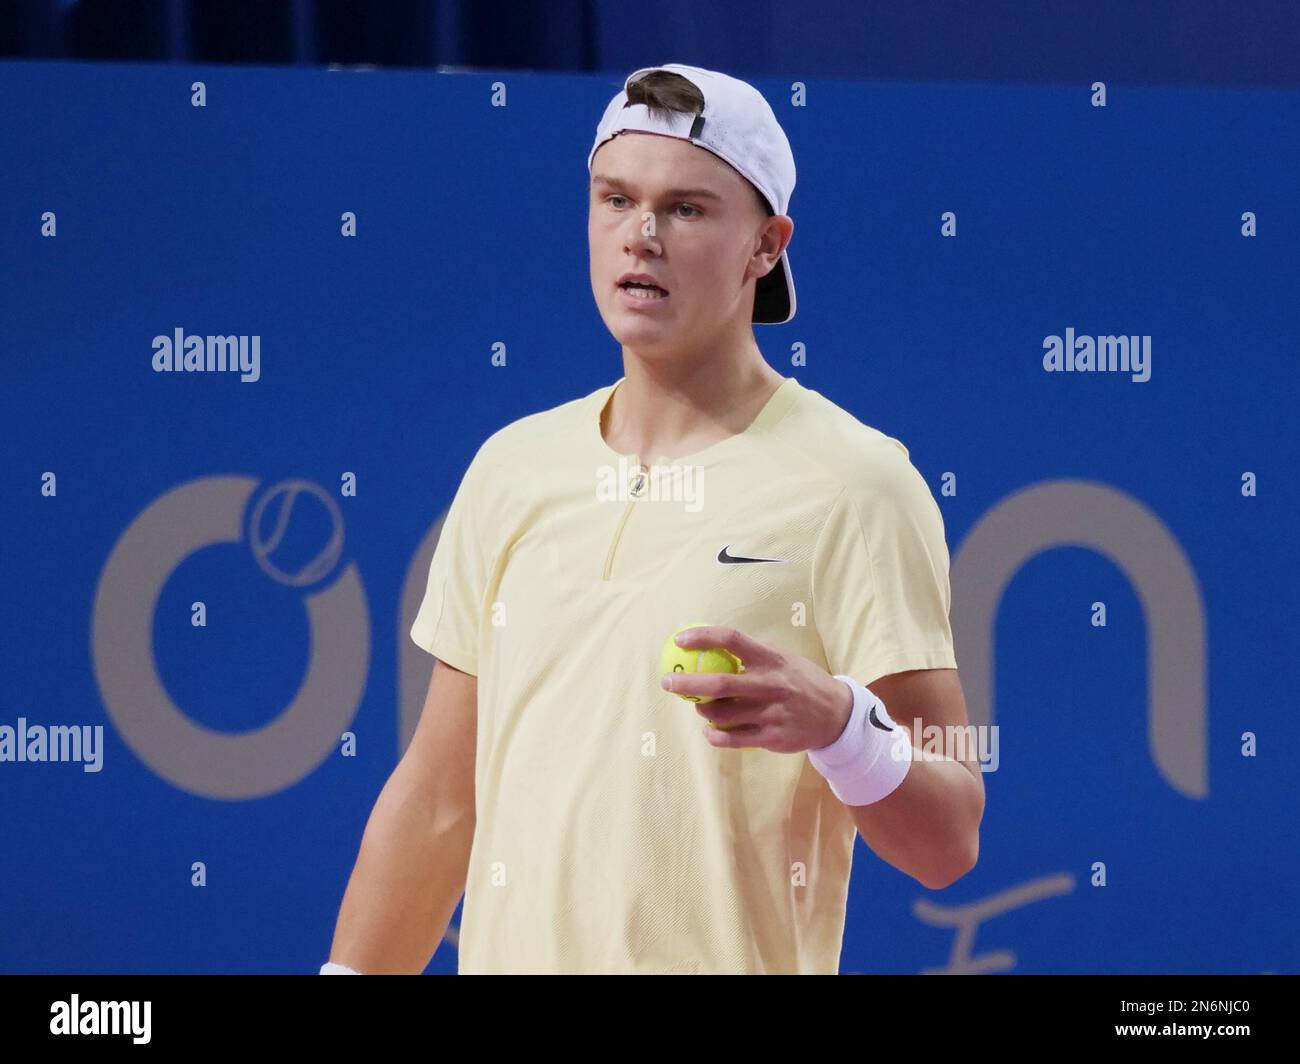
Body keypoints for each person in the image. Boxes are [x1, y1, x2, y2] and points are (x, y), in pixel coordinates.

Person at [323, 63, 984, 975]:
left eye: (687, 209)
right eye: (615, 199)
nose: (641, 236)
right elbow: (439, 800)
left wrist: (839, 725)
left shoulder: (861, 485)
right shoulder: (512, 469)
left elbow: (947, 836)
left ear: (766, 245)